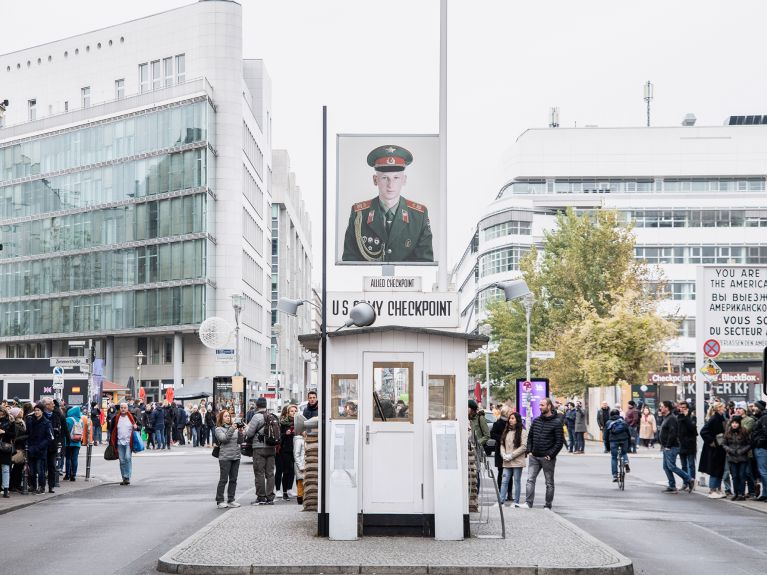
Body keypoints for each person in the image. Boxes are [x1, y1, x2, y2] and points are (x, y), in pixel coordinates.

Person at [342, 145, 433, 262]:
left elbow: (425, 264)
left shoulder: (419, 215)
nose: (390, 185)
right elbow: (350, 261)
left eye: (396, 178)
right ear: (375, 180)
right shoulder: (359, 214)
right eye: (385, 178)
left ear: (404, 180)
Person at [525, 397, 564, 509]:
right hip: (534, 457)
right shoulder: (536, 421)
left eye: (542, 405)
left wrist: (551, 455)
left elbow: (559, 442)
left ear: (549, 406)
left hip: (547, 458)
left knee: (549, 483)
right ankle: (528, 503)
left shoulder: (557, 423)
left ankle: (548, 505)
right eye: (540, 405)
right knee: (530, 480)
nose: (540, 407)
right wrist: (530, 450)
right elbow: (530, 437)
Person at [244, 397, 277, 505]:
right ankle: (270, 497)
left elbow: (249, 434)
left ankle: (261, 497)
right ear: (266, 405)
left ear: (257, 406)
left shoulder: (256, 417)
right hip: (271, 448)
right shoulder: (272, 416)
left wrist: (246, 428)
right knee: (270, 473)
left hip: (259, 448)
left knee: (259, 473)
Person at [658, 400, 694, 494]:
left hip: (671, 447)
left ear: (667, 408)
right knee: (666, 467)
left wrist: (668, 446)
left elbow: (673, 433)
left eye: (662, 406)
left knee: (672, 466)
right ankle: (672, 485)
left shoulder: (671, 418)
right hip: (666, 446)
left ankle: (689, 479)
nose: (660, 408)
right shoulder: (666, 417)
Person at [214, 410, 243, 509]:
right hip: (225, 457)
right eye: (225, 416)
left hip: (236, 456)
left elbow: (240, 441)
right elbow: (224, 439)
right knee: (223, 480)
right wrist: (232, 429)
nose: (228, 418)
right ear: (221, 418)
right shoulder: (218, 429)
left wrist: (240, 432)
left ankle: (231, 500)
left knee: (233, 480)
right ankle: (220, 500)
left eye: (229, 416)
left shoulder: (234, 428)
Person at [699, 401, 727, 498]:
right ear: (719, 408)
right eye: (723, 407)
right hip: (715, 448)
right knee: (715, 468)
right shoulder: (714, 419)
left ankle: (717, 489)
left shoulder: (719, 418)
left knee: (719, 468)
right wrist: (711, 441)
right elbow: (703, 431)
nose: (725, 409)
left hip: (719, 447)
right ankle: (712, 490)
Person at [500, 412, 528, 507]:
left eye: (512, 418)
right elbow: (502, 444)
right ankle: (501, 501)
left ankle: (516, 502)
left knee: (516, 481)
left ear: (517, 420)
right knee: (504, 481)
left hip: (517, 461)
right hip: (507, 460)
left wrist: (511, 455)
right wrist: (503, 454)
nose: (510, 420)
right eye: (510, 418)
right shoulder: (506, 431)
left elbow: (524, 447)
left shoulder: (523, 432)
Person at [721, 415, 751, 501]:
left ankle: (741, 494)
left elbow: (749, 444)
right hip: (731, 457)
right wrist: (730, 450)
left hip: (742, 457)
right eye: (733, 423)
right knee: (734, 476)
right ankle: (736, 493)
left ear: (739, 424)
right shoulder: (728, 432)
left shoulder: (744, 431)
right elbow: (723, 444)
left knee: (742, 476)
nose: (734, 424)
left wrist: (742, 451)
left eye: (736, 423)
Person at [42, 397, 68, 493]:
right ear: (46, 405)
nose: (53, 405)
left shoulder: (56, 415)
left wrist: (57, 432)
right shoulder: (41, 416)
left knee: (52, 466)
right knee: (42, 467)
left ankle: (51, 486)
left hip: (53, 445)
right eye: (51, 404)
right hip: (43, 445)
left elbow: (61, 429)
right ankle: (41, 485)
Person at [25, 404, 52, 494]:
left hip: (40, 450)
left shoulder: (46, 422)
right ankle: (32, 486)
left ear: (42, 411)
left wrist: (40, 446)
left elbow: (49, 438)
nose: (36, 412)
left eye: (38, 410)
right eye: (35, 410)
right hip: (31, 449)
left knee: (40, 470)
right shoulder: (31, 421)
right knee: (31, 470)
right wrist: (28, 445)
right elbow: (27, 434)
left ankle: (41, 487)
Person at [110, 402, 137, 485]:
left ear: (127, 408)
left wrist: (136, 426)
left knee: (128, 458)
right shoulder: (116, 418)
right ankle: (124, 478)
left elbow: (139, 425)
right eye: (121, 407)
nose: (123, 409)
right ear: (120, 409)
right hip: (119, 442)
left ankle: (127, 477)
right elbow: (111, 430)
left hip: (129, 441)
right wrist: (111, 441)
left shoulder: (132, 417)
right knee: (122, 460)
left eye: (125, 407)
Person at [275, 404, 298, 500]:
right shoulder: (283, 423)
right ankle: (282, 491)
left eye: (295, 411)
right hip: (284, 449)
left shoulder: (298, 422)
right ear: (288, 413)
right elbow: (279, 437)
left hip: (295, 449)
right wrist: (286, 433)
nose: (293, 413)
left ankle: (289, 489)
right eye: (291, 411)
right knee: (285, 471)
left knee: (293, 471)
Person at [605, 409, 631, 482]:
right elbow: (628, 434)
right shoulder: (623, 422)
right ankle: (626, 462)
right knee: (624, 453)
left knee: (614, 457)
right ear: (619, 414)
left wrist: (607, 447)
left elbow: (606, 436)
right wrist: (629, 444)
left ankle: (615, 475)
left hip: (613, 441)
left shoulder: (608, 422)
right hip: (624, 440)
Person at [676, 401, 698, 486]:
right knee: (683, 465)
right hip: (681, 444)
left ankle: (692, 481)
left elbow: (692, 427)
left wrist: (686, 417)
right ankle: (685, 482)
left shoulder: (692, 417)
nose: (682, 409)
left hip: (690, 444)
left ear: (687, 409)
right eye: (681, 408)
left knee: (691, 464)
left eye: (684, 408)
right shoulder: (678, 417)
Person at [750, 400, 767, 501]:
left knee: (763, 472)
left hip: (762, 448)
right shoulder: (762, 417)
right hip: (760, 447)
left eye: (755, 407)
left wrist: (758, 442)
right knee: (763, 472)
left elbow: (765, 433)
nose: (753, 408)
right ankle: (764, 494)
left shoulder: (764, 418)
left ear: (759, 407)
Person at [63, 406, 86, 481]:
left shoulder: (68, 420)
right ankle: (74, 475)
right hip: (77, 442)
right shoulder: (80, 421)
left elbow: (65, 431)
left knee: (68, 458)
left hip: (68, 442)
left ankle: (67, 475)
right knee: (75, 459)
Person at [491, 405, 510, 491]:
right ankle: (500, 490)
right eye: (509, 412)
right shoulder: (498, 423)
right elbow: (492, 434)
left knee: (510, 472)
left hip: (510, 450)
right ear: (506, 413)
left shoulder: (511, 423)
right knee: (501, 471)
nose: (510, 413)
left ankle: (509, 493)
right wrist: (502, 439)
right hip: (500, 451)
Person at [0, 406, 16, 498]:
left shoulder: (10, 421)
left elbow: (13, 435)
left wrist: (4, 432)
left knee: (5, 469)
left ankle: (6, 489)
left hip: (5, 447)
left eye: (1, 412)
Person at [294, 431, 306, 505]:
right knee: (300, 482)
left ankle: (303, 497)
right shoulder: (299, 440)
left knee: (304, 482)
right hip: (300, 465)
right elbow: (296, 454)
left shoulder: (306, 439)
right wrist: (300, 466)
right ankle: (300, 498)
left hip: (304, 464)